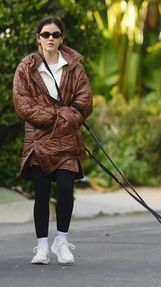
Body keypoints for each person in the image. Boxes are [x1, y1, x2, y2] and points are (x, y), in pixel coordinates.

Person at [13, 16, 93, 264]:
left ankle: (61, 241)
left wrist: (60, 118)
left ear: (62, 39)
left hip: (67, 141)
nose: (50, 39)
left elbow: (84, 103)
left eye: (55, 35)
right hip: (38, 140)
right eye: (45, 34)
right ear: (38, 38)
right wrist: (59, 116)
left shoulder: (75, 67)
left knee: (67, 188)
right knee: (41, 193)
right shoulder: (26, 67)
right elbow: (23, 105)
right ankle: (41, 247)